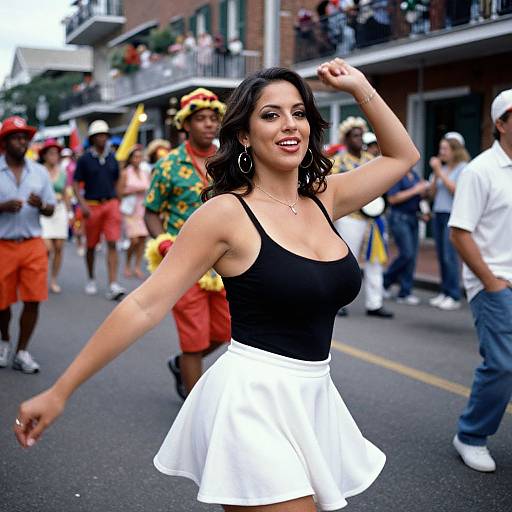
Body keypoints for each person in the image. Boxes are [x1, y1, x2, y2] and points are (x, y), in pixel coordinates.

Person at [14, 61, 420, 511]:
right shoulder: (224, 214)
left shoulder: (326, 197)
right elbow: (145, 304)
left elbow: (402, 156)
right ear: (244, 135)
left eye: (299, 112)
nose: (289, 125)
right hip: (251, 401)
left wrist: (361, 86)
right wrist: (60, 390)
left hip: (315, 395)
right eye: (271, 114)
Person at [144, 88, 231, 399]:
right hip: (183, 263)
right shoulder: (167, 164)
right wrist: (163, 241)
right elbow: (151, 212)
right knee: (193, 339)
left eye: (213, 119)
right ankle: (194, 409)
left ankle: (181, 364)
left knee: (226, 332)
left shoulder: (228, 160)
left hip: (224, 262)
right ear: (186, 124)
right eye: (201, 119)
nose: (209, 124)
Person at [449, 89, 512, 473]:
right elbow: (460, 232)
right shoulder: (479, 171)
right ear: (501, 124)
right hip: (495, 282)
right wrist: (489, 281)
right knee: (503, 364)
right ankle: (471, 435)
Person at [0, 116, 55, 373]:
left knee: (33, 299)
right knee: (2, 302)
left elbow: (51, 208)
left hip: (32, 243)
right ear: (5, 141)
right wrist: (2, 207)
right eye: (16, 137)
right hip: (3, 244)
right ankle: (5, 342)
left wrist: (40, 206)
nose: (22, 142)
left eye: (25, 137)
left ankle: (22, 350)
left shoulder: (40, 172)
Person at [332, 117, 394, 318]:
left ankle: (375, 303)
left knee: (376, 260)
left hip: (374, 220)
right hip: (350, 217)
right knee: (345, 259)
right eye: (355, 136)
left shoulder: (371, 160)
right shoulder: (338, 161)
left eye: (361, 135)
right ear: (346, 139)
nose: (360, 140)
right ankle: (338, 301)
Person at [73, 120, 125, 300]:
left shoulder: (112, 158)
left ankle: (113, 283)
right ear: (93, 138)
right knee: (91, 245)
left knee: (112, 242)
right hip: (92, 205)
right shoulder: (85, 159)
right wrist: (83, 204)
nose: (102, 138)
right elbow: (75, 183)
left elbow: (117, 179)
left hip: (110, 204)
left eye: (104, 135)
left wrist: (118, 198)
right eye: (99, 135)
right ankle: (91, 278)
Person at [428, 132, 469, 311]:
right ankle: (444, 291)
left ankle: (453, 294)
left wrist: (439, 173)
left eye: (445, 148)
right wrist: (436, 175)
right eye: (440, 148)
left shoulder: (464, 168)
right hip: (438, 214)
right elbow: (431, 194)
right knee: (441, 255)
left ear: (455, 150)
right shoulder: (442, 169)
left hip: (453, 216)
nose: (441, 152)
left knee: (449, 256)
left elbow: (457, 190)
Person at [383, 168, 430, 304]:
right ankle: (385, 281)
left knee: (412, 257)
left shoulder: (415, 175)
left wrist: (424, 210)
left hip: (413, 218)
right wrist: (415, 190)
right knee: (407, 253)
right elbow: (392, 198)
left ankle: (405, 291)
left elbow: (419, 197)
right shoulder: (398, 175)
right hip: (399, 218)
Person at [39, 139, 72, 294]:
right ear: (44, 155)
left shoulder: (63, 172)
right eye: (51, 153)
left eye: (56, 153)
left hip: (59, 211)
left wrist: (70, 212)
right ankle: (41, 278)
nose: (54, 156)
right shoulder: (39, 171)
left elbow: (66, 193)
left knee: (59, 247)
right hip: (43, 210)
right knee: (47, 248)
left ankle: (53, 279)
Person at [118, 145, 150, 279]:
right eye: (135, 157)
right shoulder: (126, 173)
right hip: (130, 210)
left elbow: (149, 189)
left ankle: (137, 266)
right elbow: (119, 192)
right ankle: (127, 264)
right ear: (130, 159)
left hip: (142, 209)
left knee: (142, 239)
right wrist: (134, 191)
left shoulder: (144, 173)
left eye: (139, 157)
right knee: (134, 239)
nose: (137, 159)